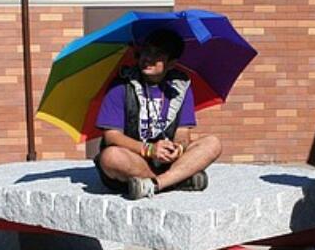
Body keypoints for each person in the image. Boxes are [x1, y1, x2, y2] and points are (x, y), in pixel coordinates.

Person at [94, 27, 222, 200]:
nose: (148, 58)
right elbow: (112, 137)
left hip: (167, 162)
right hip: (134, 158)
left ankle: (154, 184)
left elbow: (183, 133)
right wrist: (150, 150)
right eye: (145, 52)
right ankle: (177, 180)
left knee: (212, 143)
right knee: (110, 157)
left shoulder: (181, 87)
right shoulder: (121, 86)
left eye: (157, 54)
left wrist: (178, 148)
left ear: (171, 63)